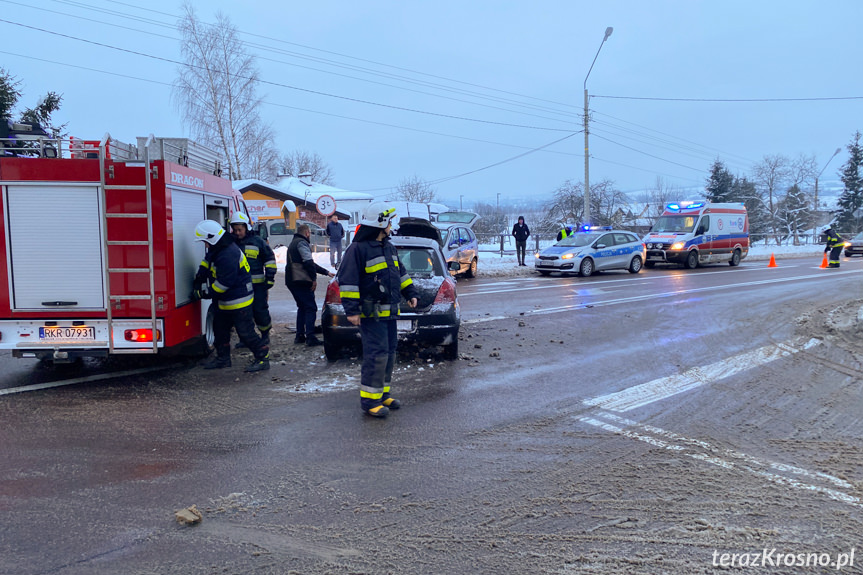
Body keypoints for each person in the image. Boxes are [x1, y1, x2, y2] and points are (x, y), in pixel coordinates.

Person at [337, 202, 418, 418]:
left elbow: (400, 273)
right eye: (389, 222)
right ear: (380, 223)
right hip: (370, 315)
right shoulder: (358, 249)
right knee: (376, 355)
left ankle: (382, 394)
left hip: (389, 313)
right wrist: (352, 311)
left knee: (389, 353)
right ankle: (370, 401)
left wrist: (410, 293)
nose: (392, 225)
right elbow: (348, 282)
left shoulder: (388, 247)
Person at [193, 220, 269, 372]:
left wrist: (204, 293)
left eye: (206, 241)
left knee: (246, 333)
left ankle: (262, 358)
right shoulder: (219, 247)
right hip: (225, 301)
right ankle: (223, 358)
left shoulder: (228, 253)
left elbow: (224, 283)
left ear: (213, 238)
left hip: (238, 300)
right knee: (219, 330)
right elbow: (207, 261)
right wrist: (200, 276)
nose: (206, 245)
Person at [229, 213, 276, 347]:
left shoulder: (258, 242)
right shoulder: (231, 244)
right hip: (239, 287)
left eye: (240, 230)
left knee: (260, 311)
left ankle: (265, 335)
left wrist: (270, 277)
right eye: (235, 230)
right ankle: (245, 338)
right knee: (243, 314)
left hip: (257, 286)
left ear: (246, 228)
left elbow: (270, 259)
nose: (237, 233)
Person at [287, 223, 335, 346]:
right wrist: (314, 279)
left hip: (292, 280)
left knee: (302, 307)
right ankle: (310, 337)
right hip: (301, 281)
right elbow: (308, 262)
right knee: (310, 308)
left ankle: (300, 335)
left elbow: (309, 263)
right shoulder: (302, 243)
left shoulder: (293, 243)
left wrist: (325, 272)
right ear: (307, 232)